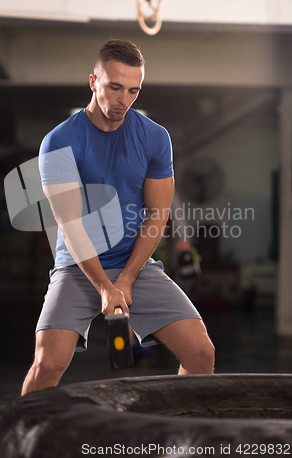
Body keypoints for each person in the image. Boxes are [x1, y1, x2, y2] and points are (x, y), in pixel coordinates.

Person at [21, 39, 215, 395]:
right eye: (114, 87)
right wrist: (104, 287)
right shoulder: (59, 142)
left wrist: (125, 279)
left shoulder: (155, 137)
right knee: (48, 363)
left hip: (135, 265)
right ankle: (18, 444)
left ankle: (179, 432)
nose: (123, 99)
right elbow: (71, 225)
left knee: (201, 352)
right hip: (78, 266)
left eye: (133, 90)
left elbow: (157, 215)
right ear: (93, 82)